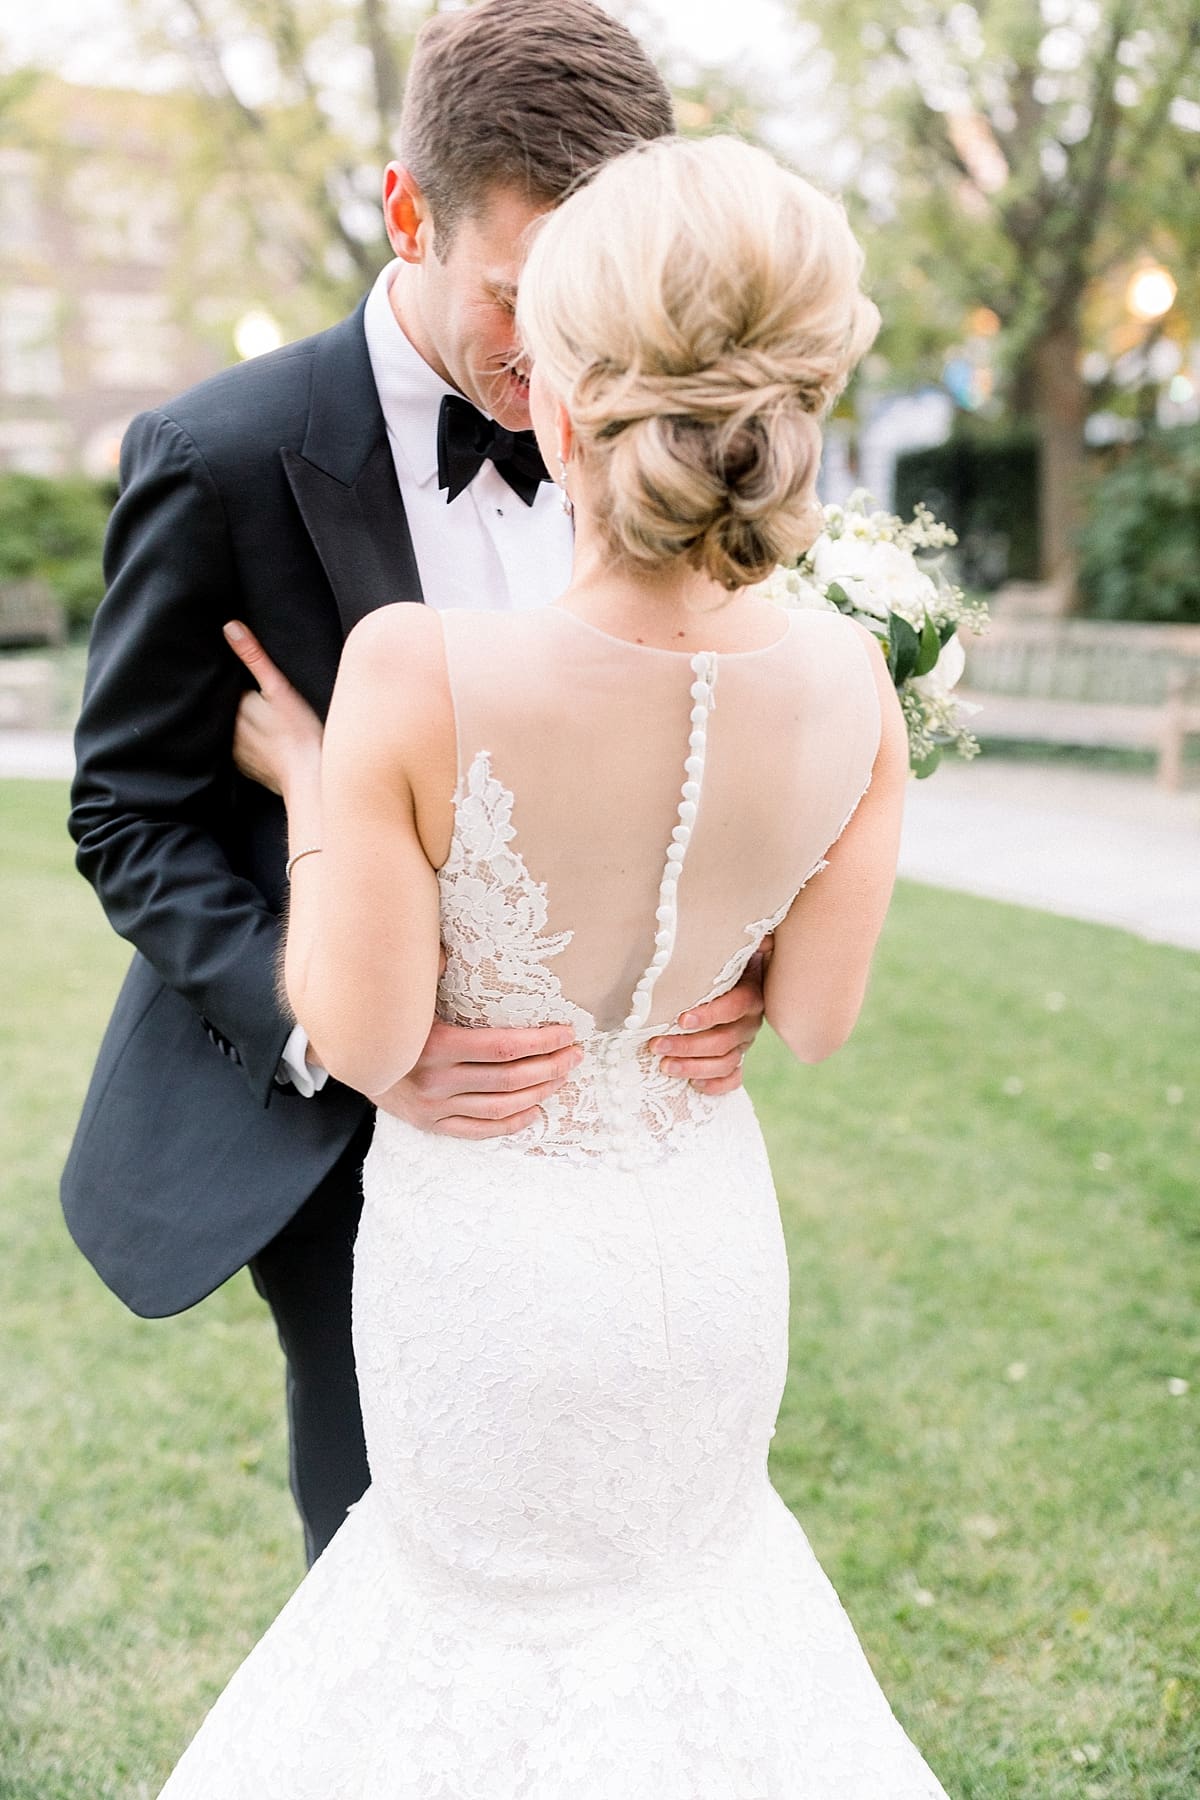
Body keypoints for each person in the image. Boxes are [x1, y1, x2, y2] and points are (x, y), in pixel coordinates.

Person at [155, 133, 949, 1797]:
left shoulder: (412, 672)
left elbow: (366, 1033)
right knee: (699, 1615)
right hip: (703, 1246)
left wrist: (314, 786)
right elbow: (808, 1016)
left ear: (565, 411)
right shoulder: (859, 686)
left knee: (463, 1645)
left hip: (490, 1268)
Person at [61, 0, 764, 1567]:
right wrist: (341, 1036)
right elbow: (127, 812)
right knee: (403, 1551)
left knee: (622, 1535)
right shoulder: (221, 456)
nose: (567, 355)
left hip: (615, 1128)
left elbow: (705, 729)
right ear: (408, 211)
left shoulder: (646, 415)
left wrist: (751, 954)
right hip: (343, 1146)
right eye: (523, 297)